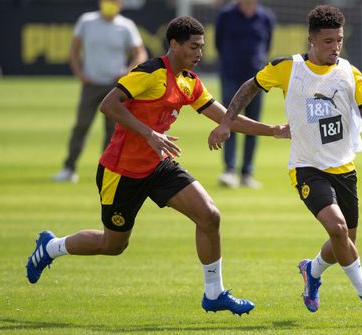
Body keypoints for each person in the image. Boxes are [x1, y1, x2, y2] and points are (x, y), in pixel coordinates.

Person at [27, 16, 288, 315]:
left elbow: (224, 116)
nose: (200, 53)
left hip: (158, 165)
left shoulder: (189, 81)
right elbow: (109, 105)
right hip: (121, 171)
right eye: (193, 47)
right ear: (174, 45)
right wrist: (149, 133)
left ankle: (214, 294)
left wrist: (274, 130)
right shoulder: (149, 72)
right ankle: (50, 247)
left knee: (209, 216)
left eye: (202, 47)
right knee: (113, 245)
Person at [208, 5, 362, 319]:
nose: (335, 47)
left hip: (344, 169)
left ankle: (312, 271)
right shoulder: (286, 68)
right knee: (338, 228)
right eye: (328, 41)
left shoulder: (350, 73)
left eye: (339, 40)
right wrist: (226, 122)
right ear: (311, 40)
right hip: (306, 167)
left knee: (344, 240)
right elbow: (248, 88)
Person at [53, 0, 147, 183]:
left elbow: (140, 53)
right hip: (91, 84)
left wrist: (128, 72)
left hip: (115, 86)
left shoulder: (126, 26)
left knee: (112, 131)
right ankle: (69, 168)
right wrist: (79, 73)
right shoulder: (87, 21)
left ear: (121, 5)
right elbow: (74, 50)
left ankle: (107, 170)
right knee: (81, 126)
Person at [214, 0, 275, 188]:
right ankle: (229, 171)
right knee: (228, 121)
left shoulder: (266, 17)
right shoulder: (225, 15)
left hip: (256, 79)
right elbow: (218, 43)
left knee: (253, 125)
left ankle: (247, 172)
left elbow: (267, 45)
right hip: (231, 76)